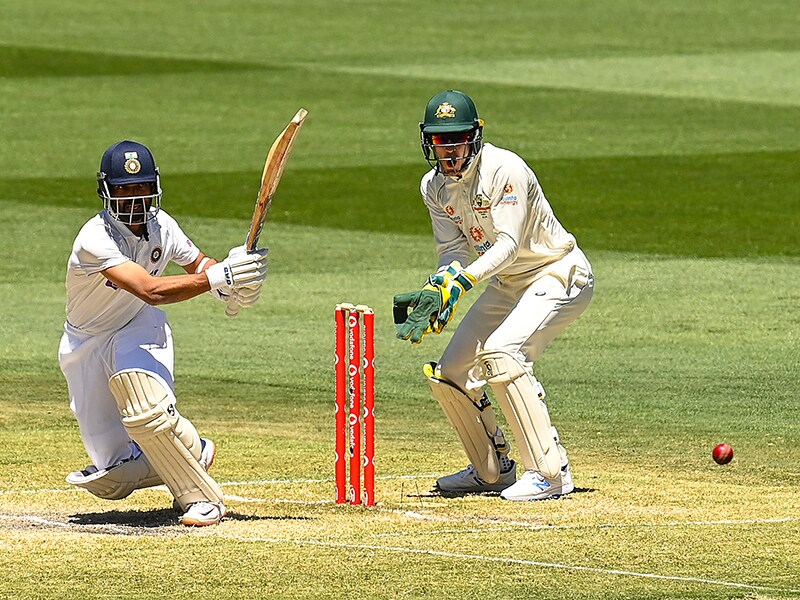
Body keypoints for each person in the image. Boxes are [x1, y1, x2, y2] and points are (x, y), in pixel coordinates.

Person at [393, 91, 594, 501]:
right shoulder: (433, 187)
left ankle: (550, 473)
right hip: (507, 284)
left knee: (502, 352)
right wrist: (440, 287)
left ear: (474, 136)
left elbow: (509, 245)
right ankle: (492, 469)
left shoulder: (506, 170)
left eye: (456, 139)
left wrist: (460, 285)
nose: (448, 150)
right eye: (439, 140)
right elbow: (452, 252)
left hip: (557, 272)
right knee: (452, 371)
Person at [60, 140, 267, 525]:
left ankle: (198, 498)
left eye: (141, 189)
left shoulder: (163, 226)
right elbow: (150, 290)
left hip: (138, 325)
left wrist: (231, 277)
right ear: (107, 192)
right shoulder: (94, 238)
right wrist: (217, 278)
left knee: (145, 408)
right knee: (115, 476)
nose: (134, 199)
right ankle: (191, 448)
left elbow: (199, 263)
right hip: (85, 341)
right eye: (124, 189)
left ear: (154, 188)